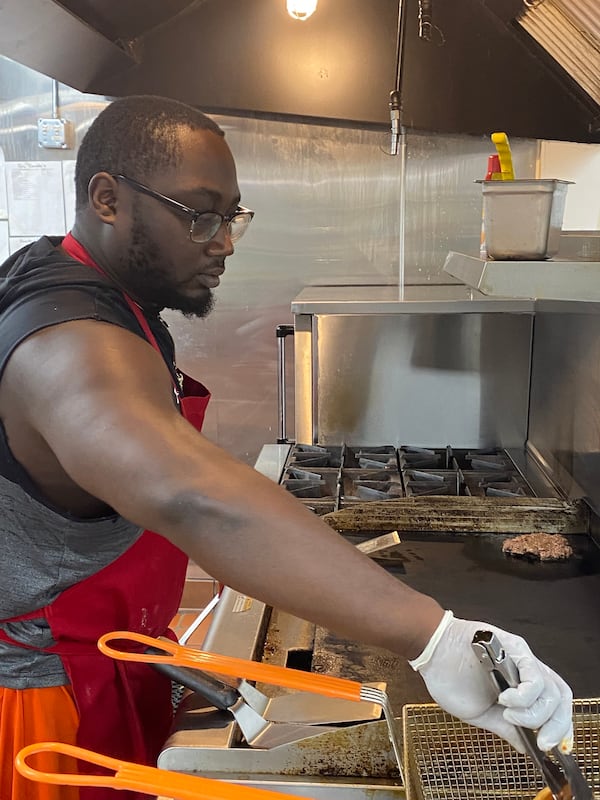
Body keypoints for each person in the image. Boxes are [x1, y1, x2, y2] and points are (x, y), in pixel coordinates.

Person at [0, 95, 572, 800]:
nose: (225, 241)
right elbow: (190, 495)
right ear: (108, 198)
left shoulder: (98, 291)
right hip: (47, 702)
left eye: (232, 215)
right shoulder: (67, 342)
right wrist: (436, 637)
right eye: (200, 214)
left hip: (113, 658)